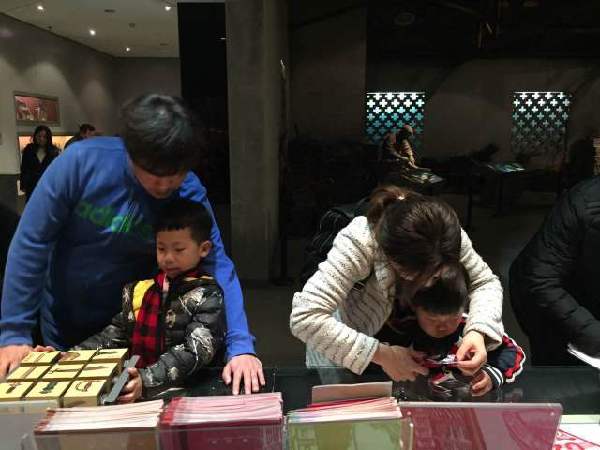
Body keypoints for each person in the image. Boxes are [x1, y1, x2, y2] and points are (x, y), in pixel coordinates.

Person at [0, 94, 263, 395]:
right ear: (130, 152)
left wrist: (241, 345)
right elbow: (32, 243)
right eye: (153, 174)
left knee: (127, 403)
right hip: (65, 320)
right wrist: (14, 333)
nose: (164, 185)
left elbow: (217, 261)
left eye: (174, 175)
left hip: (134, 327)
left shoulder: (187, 189)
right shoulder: (80, 163)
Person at [290, 185, 504, 382]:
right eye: (418, 275)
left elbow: (485, 282)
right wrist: (382, 354)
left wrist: (477, 331)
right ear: (390, 257)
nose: (428, 281)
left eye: (435, 275)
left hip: (408, 337)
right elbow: (306, 317)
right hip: (348, 337)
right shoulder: (362, 241)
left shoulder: (445, 238)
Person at [37, 199, 225, 402]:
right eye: (161, 249)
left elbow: (196, 350)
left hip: (188, 394)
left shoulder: (207, 295)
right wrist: (71, 358)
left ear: (204, 249)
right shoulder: (140, 291)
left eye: (178, 250)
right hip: (136, 386)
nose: (168, 258)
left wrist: (146, 379)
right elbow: (114, 336)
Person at [377, 260, 524, 396]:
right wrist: (388, 356)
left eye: (453, 318)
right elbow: (372, 354)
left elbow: (513, 352)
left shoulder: (471, 330)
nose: (442, 327)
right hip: (412, 403)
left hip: (464, 404)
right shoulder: (401, 329)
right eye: (432, 319)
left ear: (464, 308)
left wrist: (492, 375)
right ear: (415, 309)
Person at [510, 177, 600, 365]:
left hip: (587, 293)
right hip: (548, 303)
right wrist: (593, 334)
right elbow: (541, 280)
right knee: (559, 369)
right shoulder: (584, 203)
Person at [20, 125, 59, 201]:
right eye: (39, 136)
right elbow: (24, 168)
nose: (41, 139)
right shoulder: (29, 149)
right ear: (35, 136)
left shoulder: (53, 151)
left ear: (48, 138)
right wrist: (23, 185)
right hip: (32, 185)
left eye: (44, 137)